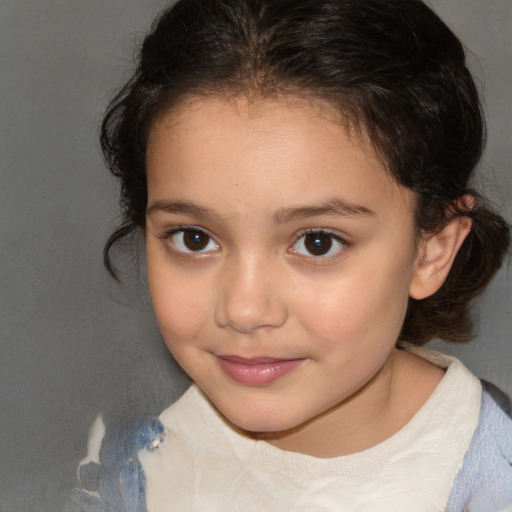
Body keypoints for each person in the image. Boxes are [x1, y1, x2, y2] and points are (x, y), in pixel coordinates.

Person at [61, 0, 511, 510]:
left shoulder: (492, 477)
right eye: (194, 238)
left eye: (318, 242)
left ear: (431, 250)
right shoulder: (125, 465)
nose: (245, 310)